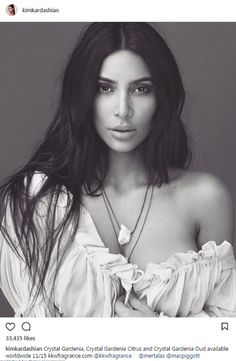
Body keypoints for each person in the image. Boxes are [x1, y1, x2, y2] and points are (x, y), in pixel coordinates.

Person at [0, 22, 235, 317]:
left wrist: (162, 341)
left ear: (161, 97)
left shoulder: (205, 199)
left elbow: (226, 342)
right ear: (82, 94)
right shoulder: (37, 201)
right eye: (105, 88)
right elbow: (30, 355)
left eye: (140, 89)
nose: (123, 109)